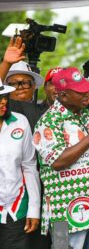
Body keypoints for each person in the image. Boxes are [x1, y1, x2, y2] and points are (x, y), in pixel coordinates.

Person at [33, 67, 89, 248]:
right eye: (80, 91)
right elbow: (57, 162)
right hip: (64, 213)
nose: (87, 93)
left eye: (86, 88)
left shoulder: (88, 114)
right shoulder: (48, 121)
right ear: (63, 96)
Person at [0, 80, 41, 248]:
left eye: (5, 97)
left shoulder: (20, 121)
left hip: (15, 207)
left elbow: (30, 167)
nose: (3, 102)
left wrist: (34, 208)